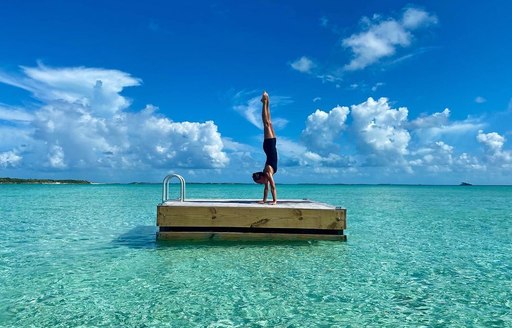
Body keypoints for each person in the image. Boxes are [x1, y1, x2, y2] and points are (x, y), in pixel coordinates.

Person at [252, 91, 278, 205]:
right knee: (270, 123)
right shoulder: (266, 176)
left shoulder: (267, 173)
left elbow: (273, 187)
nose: (262, 184)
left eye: (259, 182)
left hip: (269, 145)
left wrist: (275, 201)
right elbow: (267, 188)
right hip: (272, 145)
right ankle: (267, 102)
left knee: (266, 123)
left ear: (261, 178)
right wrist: (264, 200)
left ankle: (264, 103)